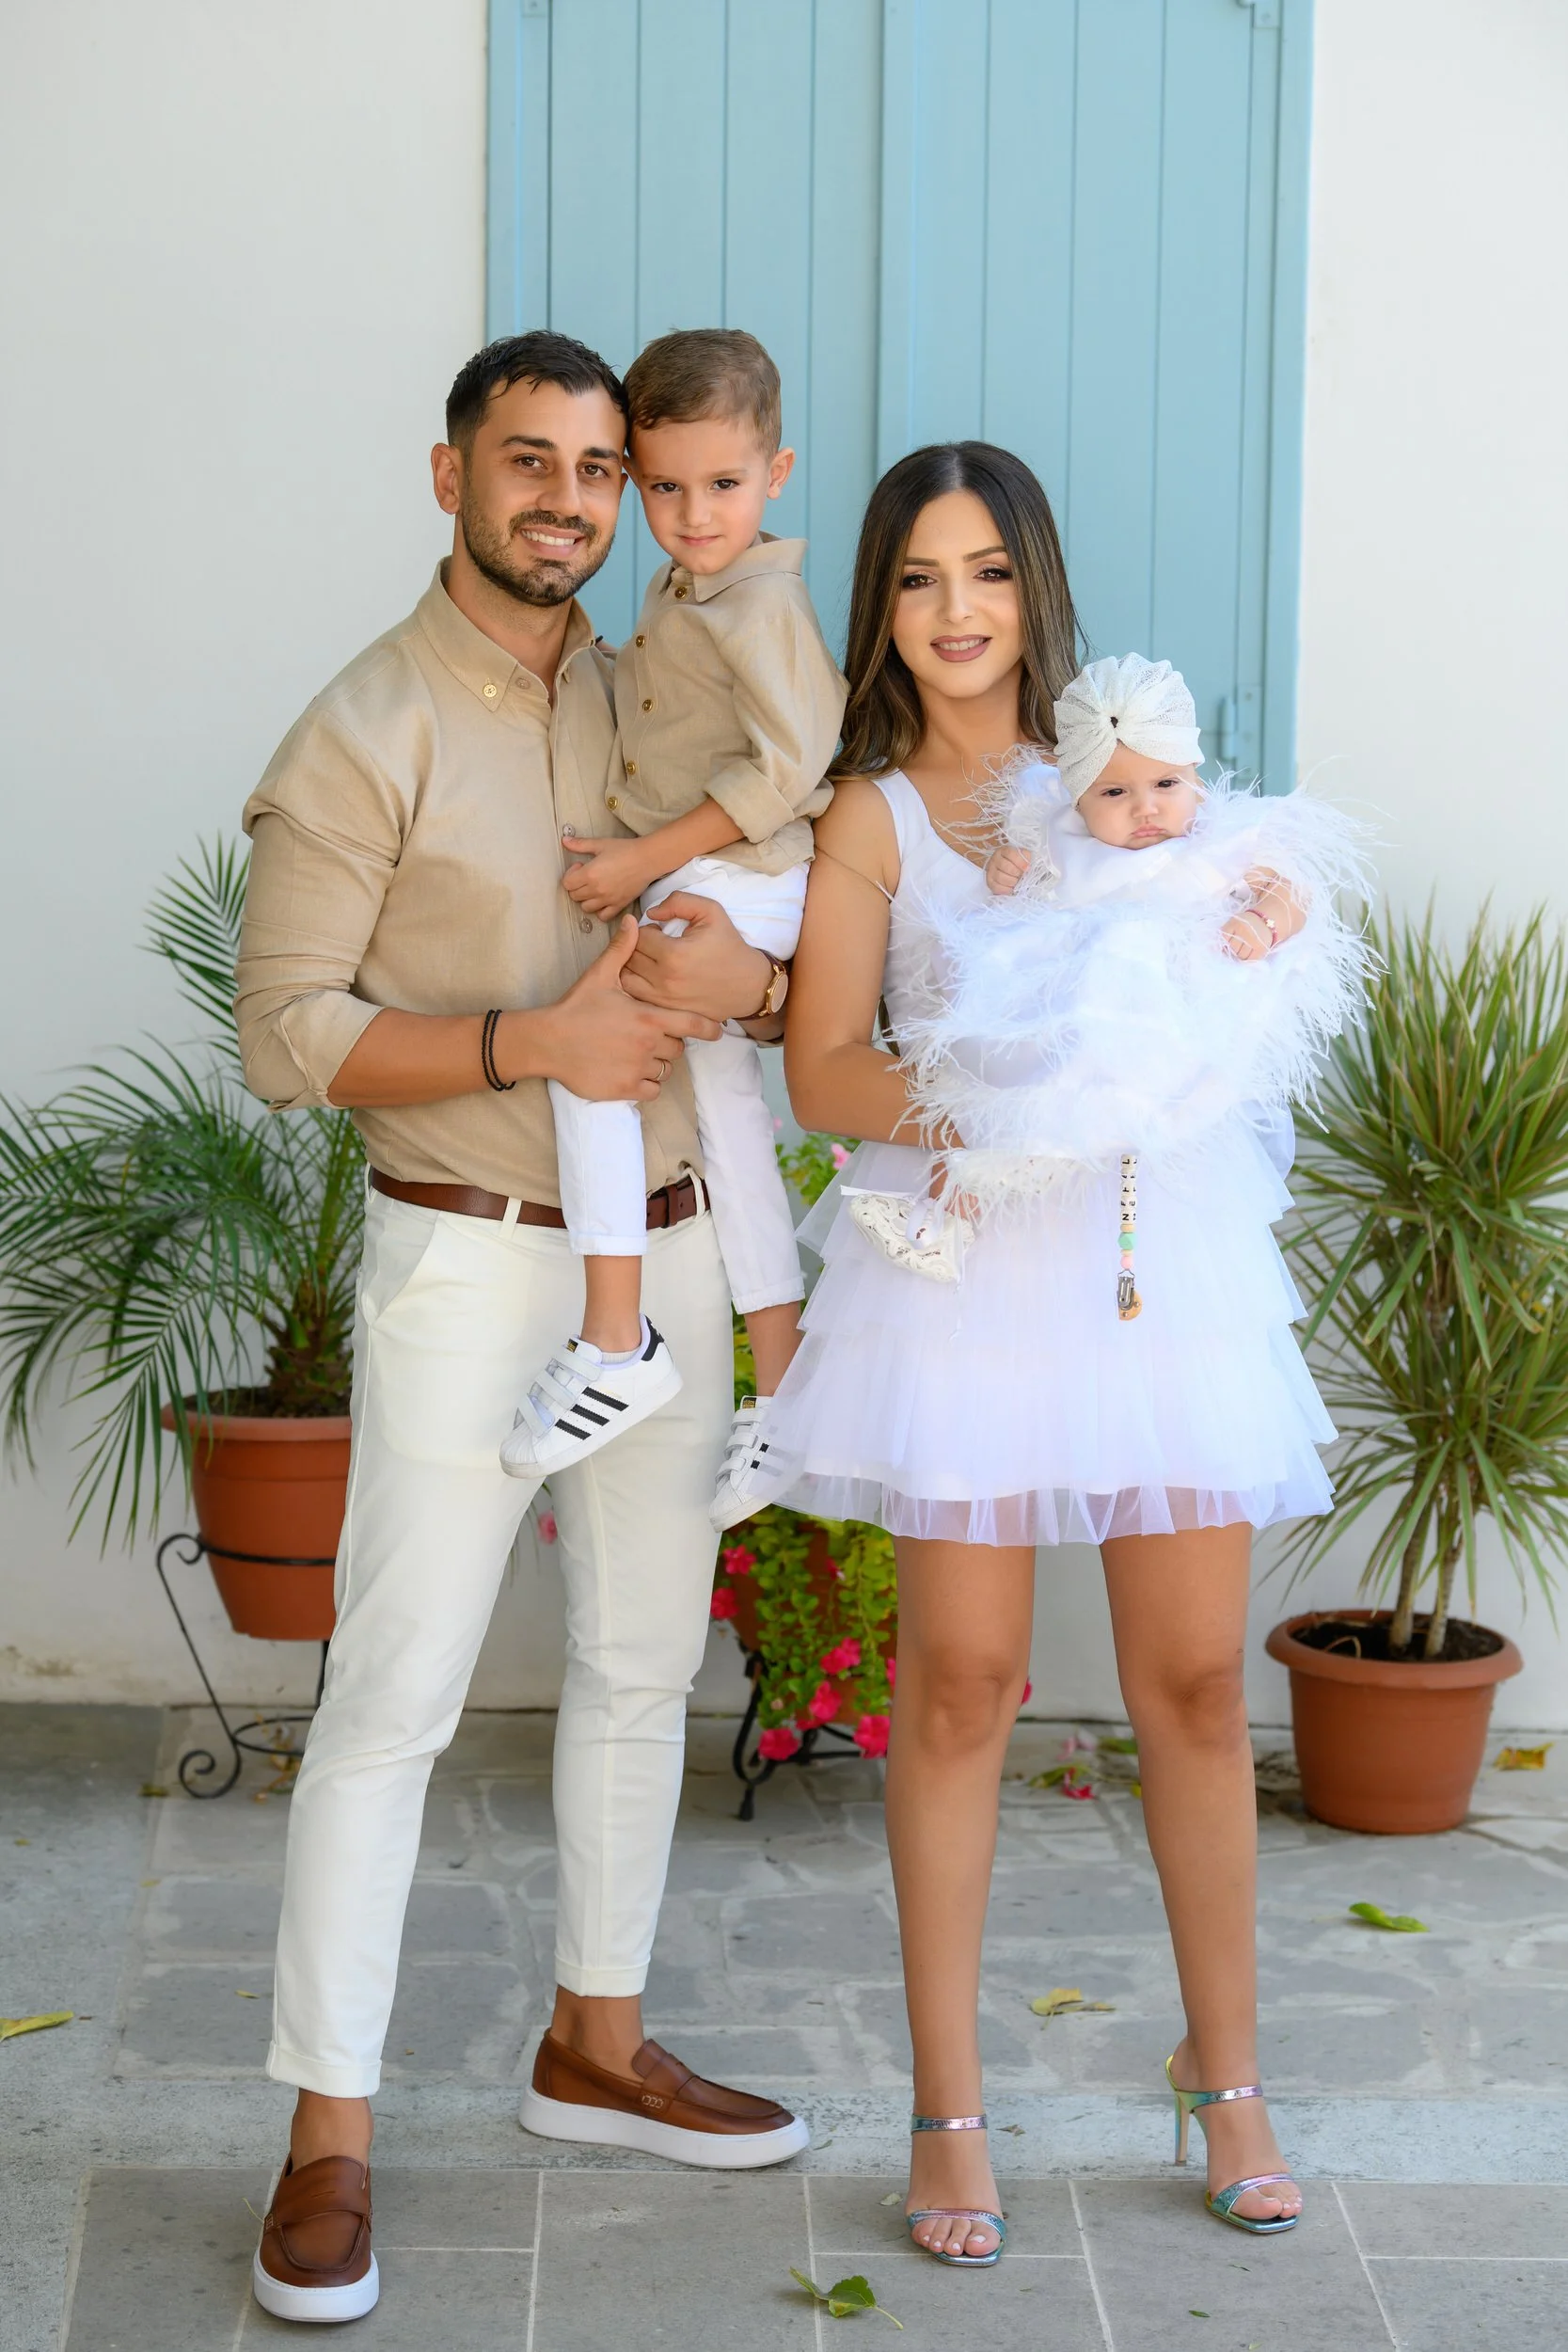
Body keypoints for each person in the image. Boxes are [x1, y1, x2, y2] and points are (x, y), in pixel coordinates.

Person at [235, 331, 808, 2329]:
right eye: (528, 460)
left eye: (596, 465)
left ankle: (596, 2039)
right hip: (470, 1260)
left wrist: (739, 982)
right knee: (387, 1706)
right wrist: (516, 1038)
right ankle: (326, 2136)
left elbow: (752, 903)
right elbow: (285, 1034)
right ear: (449, 472)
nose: (566, 495)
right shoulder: (365, 724)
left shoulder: (664, 677)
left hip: (658, 1252)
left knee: (641, 1669)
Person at [768, 442, 1318, 2267]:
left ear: (1029, 589)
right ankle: (944, 2102)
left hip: (1151, 1266)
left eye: (983, 573)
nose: (951, 612)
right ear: (880, 604)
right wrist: (1003, 1097)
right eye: (916, 578)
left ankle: (1220, 2068)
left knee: (1181, 1678)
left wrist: (1254, 930)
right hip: (965, 1268)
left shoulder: (1114, 777)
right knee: (959, 1683)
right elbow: (820, 1067)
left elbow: (1231, 934)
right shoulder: (868, 811)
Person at [499, 328, 845, 1531]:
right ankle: (788, 1385)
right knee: (728, 1130)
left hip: (736, 876)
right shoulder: (685, 586)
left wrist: (643, 858)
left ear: (777, 472)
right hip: (710, 869)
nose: (693, 514)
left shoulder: (761, 604)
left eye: (724, 485)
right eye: (663, 486)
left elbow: (794, 765)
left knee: (588, 1056)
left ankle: (614, 1336)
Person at [846, 651, 1370, 1283]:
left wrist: (1260, 923)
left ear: (1194, 775)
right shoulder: (1065, 844)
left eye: (1165, 785)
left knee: (1066, 1094)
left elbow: (1295, 892)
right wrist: (1003, 877)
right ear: (1077, 797)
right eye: (1114, 793)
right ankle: (945, 1216)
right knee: (994, 1087)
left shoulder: (1219, 843)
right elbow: (1024, 922)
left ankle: (961, 1204)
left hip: (1161, 1023)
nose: (1145, 809)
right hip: (1078, 1016)